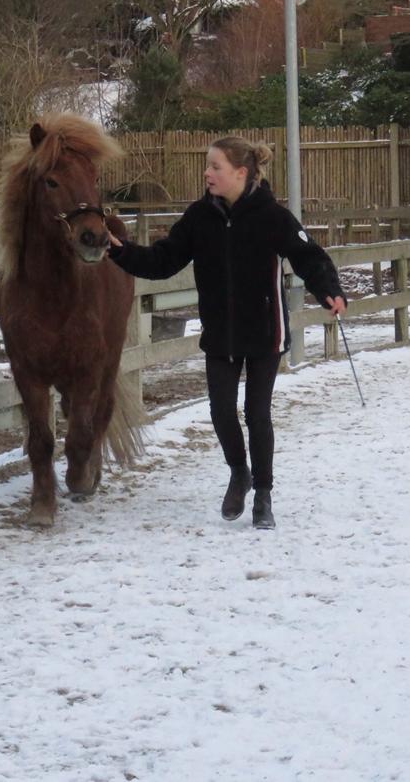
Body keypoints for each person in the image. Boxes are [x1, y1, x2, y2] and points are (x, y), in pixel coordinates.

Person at [107, 137, 347, 529]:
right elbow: (162, 261)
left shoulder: (273, 217)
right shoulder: (200, 217)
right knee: (221, 411)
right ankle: (240, 473)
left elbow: (310, 257)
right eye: (207, 165)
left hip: (265, 333)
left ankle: (264, 495)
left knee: (256, 413)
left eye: (215, 166)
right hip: (220, 334)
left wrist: (330, 290)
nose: (207, 173)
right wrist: (119, 250)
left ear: (241, 173)